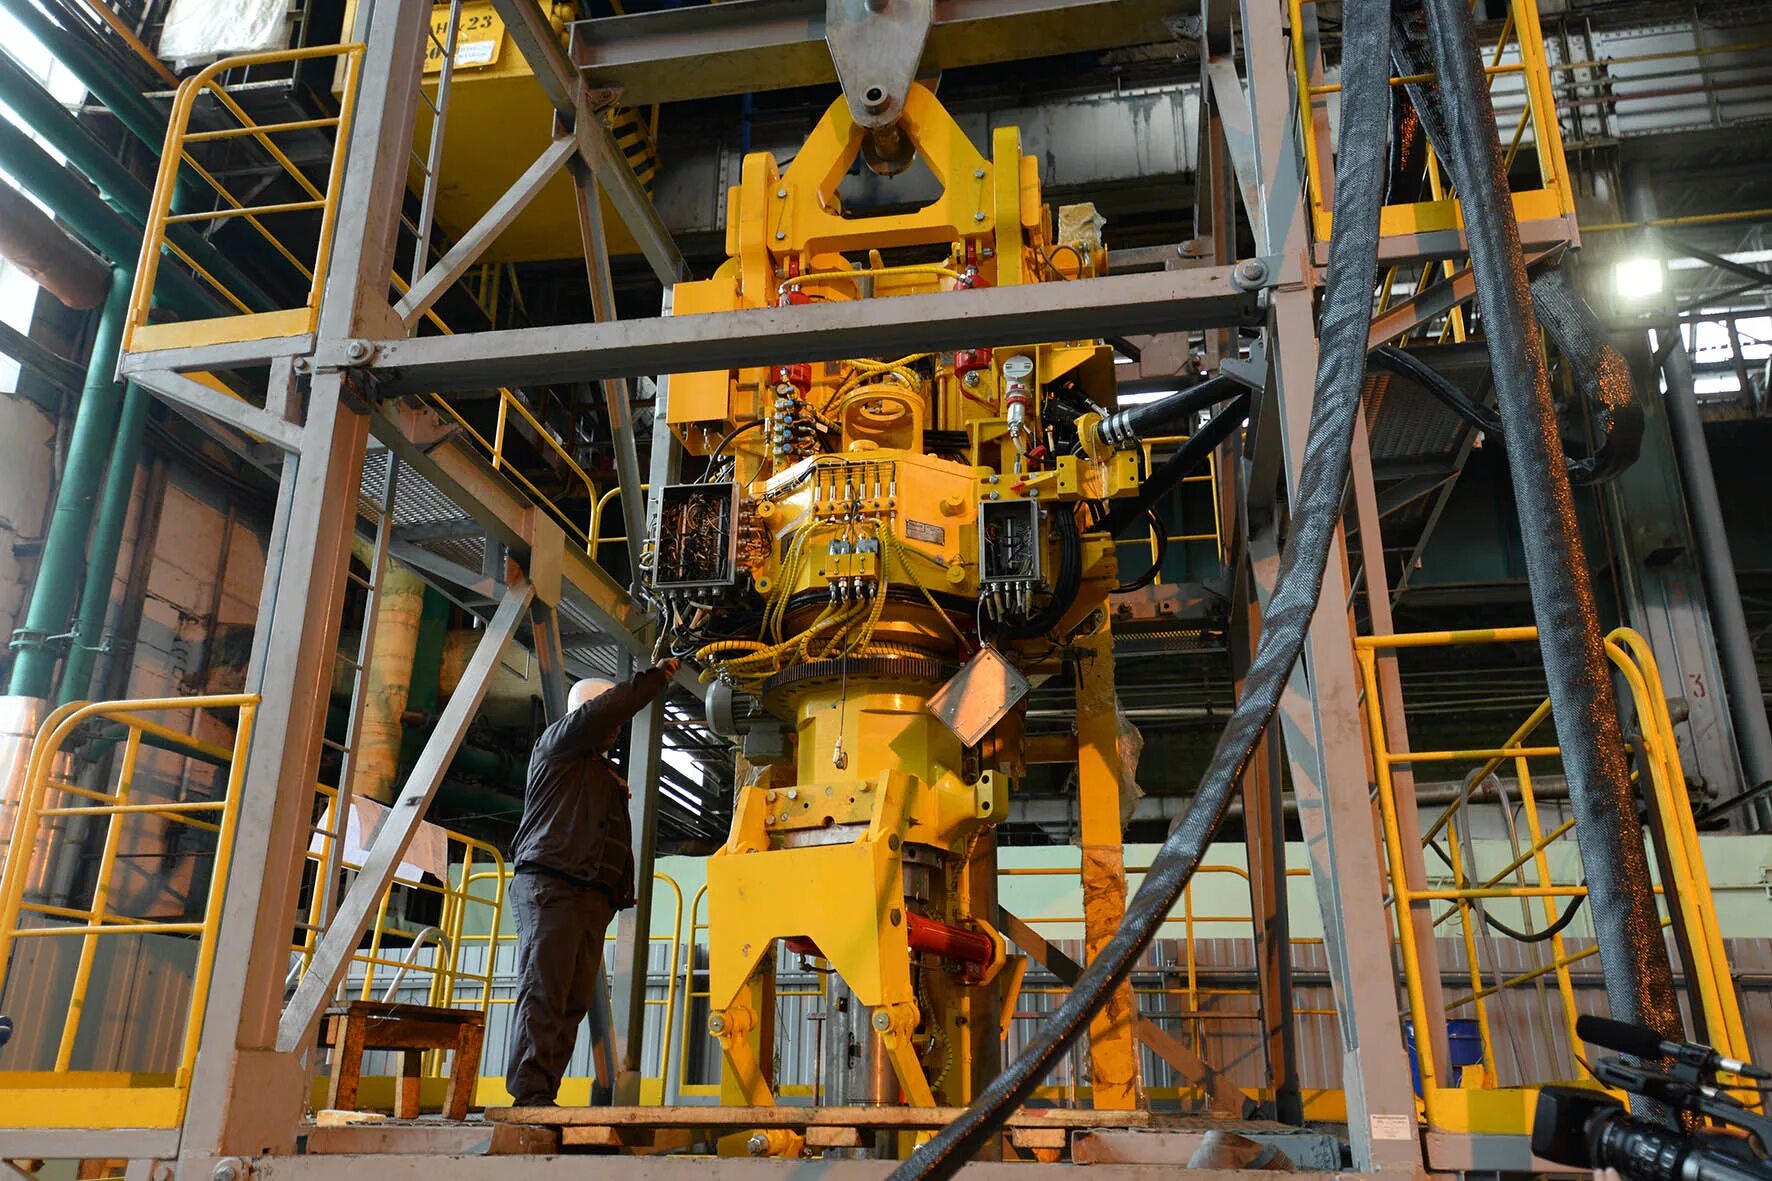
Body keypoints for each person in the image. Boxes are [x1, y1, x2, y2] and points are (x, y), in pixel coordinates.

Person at [504, 658, 679, 1108]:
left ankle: (542, 1094)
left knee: (570, 1001)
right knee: (545, 990)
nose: (614, 731)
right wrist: (655, 678)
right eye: (607, 719)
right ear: (584, 714)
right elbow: (605, 710)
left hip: (589, 895)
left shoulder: (601, 773)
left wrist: (615, 895)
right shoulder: (556, 746)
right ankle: (529, 1095)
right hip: (552, 886)